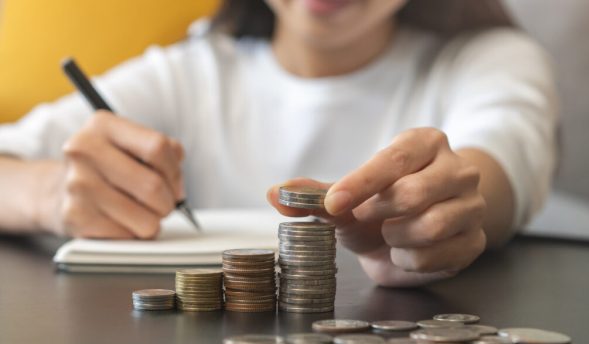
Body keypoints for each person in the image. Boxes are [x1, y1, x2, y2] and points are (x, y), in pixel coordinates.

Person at [0, 0, 558, 287]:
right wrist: (49, 192)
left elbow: (506, 153)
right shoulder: (187, 74)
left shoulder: (489, 59)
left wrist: (453, 206)